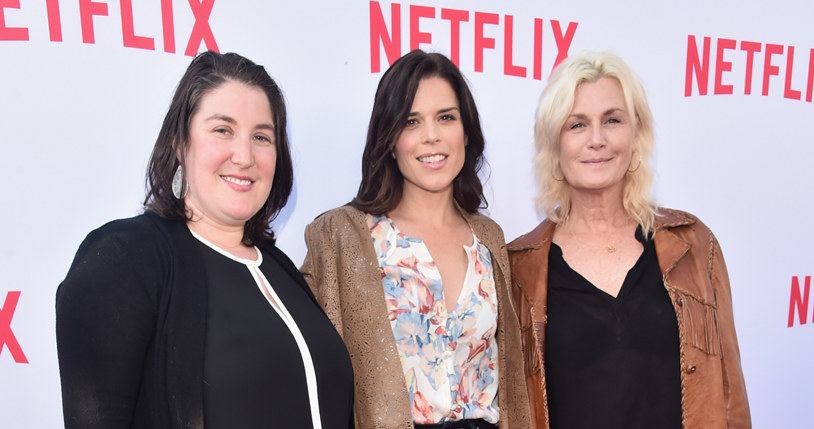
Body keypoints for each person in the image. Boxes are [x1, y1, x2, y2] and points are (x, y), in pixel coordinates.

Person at [56, 51, 353, 429]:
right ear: (181, 142)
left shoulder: (280, 269)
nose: (244, 156)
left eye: (261, 136)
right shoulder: (124, 258)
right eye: (222, 130)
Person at [507, 50, 751, 428]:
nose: (597, 139)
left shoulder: (694, 246)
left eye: (612, 120)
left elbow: (732, 399)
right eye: (577, 125)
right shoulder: (517, 270)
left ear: (637, 134)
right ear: (553, 146)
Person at [301, 50, 531, 429]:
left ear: (467, 130)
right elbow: (312, 373)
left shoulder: (488, 239)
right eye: (411, 121)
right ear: (389, 139)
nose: (432, 136)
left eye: (446, 117)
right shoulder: (341, 236)